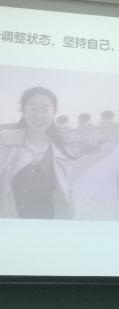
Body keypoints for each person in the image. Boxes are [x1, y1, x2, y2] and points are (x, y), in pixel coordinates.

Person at [0, 86, 78, 219]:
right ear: (23, 111)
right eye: (33, 109)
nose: (39, 115)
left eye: (45, 109)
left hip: (47, 221)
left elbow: (68, 194)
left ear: (54, 112)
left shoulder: (64, 153)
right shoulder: (4, 142)